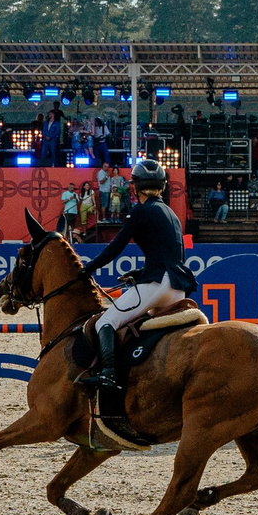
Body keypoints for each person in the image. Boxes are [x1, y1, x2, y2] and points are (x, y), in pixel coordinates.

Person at [78, 158, 197, 392]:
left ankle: (109, 374)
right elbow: (171, 254)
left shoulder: (140, 211)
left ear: (134, 186)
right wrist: (141, 272)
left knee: (107, 321)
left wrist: (87, 269)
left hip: (157, 285)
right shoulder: (171, 213)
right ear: (161, 187)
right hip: (177, 288)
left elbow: (115, 247)